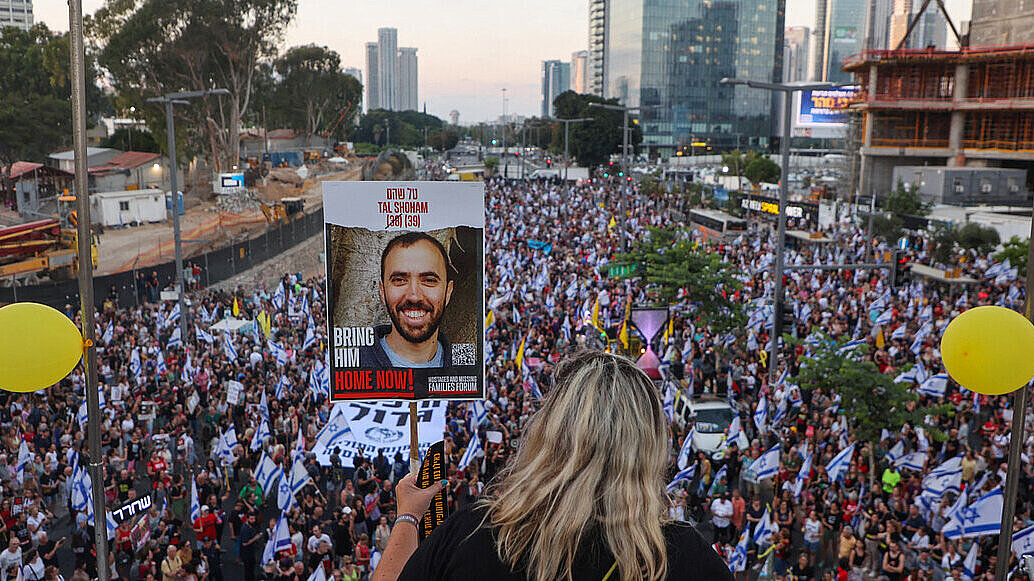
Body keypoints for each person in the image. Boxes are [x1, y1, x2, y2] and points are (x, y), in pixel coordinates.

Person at [375, 351, 734, 581]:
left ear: (548, 431)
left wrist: (408, 517)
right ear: (651, 447)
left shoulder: (473, 534)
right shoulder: (685, 560)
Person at [359, 233, 455, 368]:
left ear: (448, 291)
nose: (414, 296)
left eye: (429, 280)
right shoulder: (351, 367)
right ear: (382, 291)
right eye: (399, 280)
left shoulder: (469, 368)